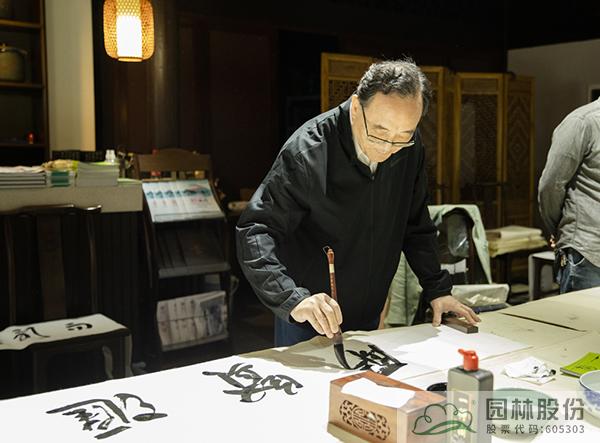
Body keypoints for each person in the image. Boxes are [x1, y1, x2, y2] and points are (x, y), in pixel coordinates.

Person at [236, 58, 480, 346]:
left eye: (402, 136)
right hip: (311, 315)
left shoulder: (409, 149)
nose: (388, 148)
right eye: (379, 133)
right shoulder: (309, 151)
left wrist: (437, 289)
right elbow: (255, 230)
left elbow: (414, 223)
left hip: (370, 310)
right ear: (355, 107)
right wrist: (291, 298)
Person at [538, 97, 600, 293]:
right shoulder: (582, 122)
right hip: (588, 249)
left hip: (587, 246)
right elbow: (551, 185)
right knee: (582, 314)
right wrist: (558, 228)